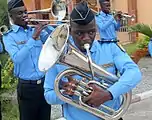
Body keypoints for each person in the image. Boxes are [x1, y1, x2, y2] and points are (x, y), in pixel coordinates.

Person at [44, 1, 142, 120]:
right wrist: (67, 92)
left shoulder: (110, 48)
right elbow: (48, 95)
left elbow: (134, 72)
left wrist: (109, 94)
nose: (86, 38)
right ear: (70, 30)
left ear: (95, 28)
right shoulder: (58, 56)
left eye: (91, 32)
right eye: (79, 33)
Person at [2, 0, 54, 120]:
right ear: (11, 17)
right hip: (27, 88)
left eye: (25, 12)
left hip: (43, 83)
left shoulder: (33, 29)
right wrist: (33, 38)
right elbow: (17, 58)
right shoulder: (9, 36)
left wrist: (47, 27)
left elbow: (52, 42)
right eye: (20, 13)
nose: (25, 15)